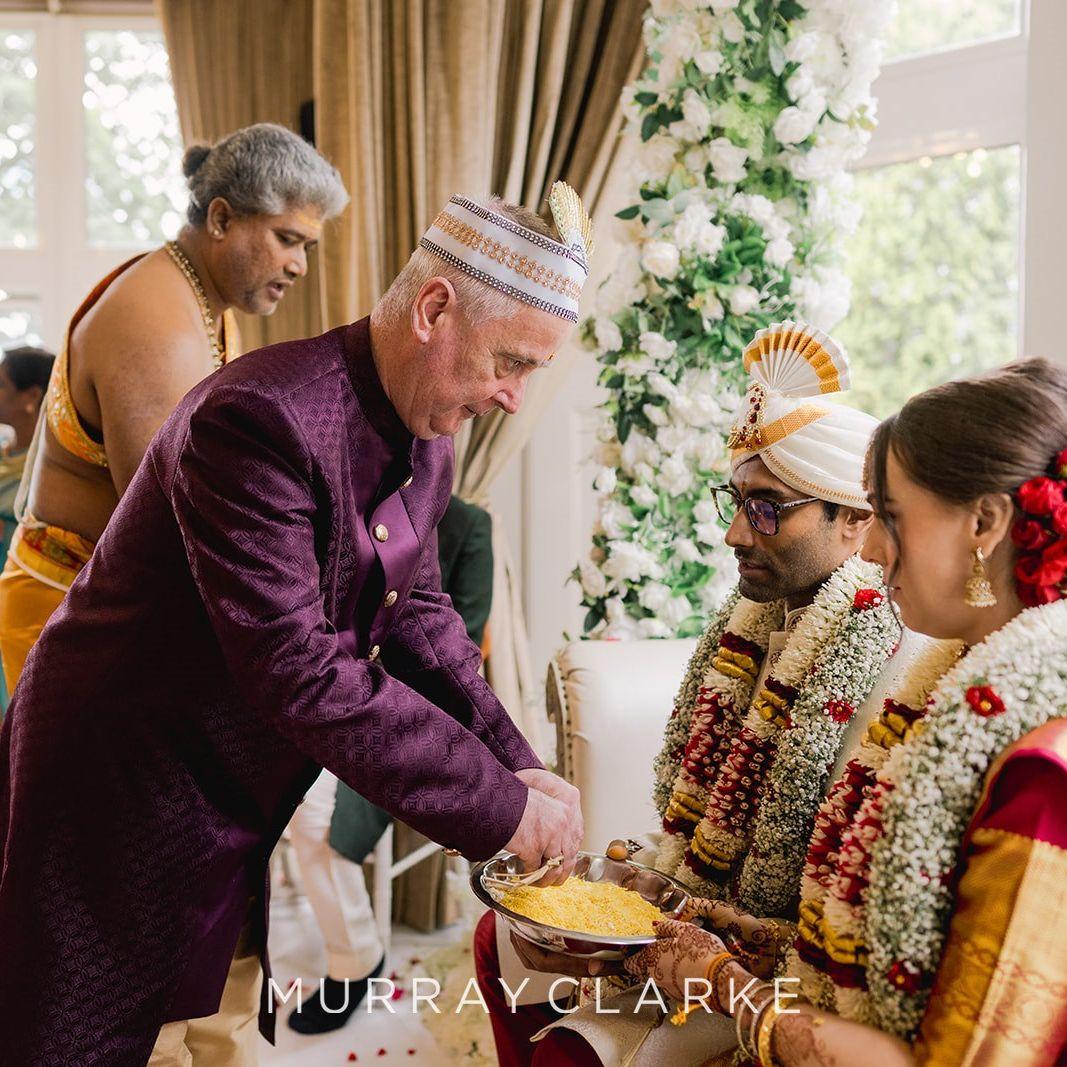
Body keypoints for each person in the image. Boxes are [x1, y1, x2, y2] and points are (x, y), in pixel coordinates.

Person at [0, 187, 590, 1066]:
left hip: (226, 797)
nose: (512, 398)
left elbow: (420, 614)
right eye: (510, 361)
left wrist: (518, 764)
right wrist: (501, 810)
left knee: (220, 1029)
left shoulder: (426, 432)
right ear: (434, 309)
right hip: (118, 790)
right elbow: (298, 670)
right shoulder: (258, 417)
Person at [475, 322, 927, 1066]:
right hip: (702, 906)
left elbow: (847, 915)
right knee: (502, 932)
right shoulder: (749, 623)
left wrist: (708, 940)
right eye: (736, 501)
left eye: (767, 507)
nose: (735, 535)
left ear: (854, 519)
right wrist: (642, 882)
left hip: (783, 969)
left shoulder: (889, 660)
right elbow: (692, 825)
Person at [617, 357, 1067, 1066]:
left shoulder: (1041, 773)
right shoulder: (956, 686)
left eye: (890, 516)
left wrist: (724, 983)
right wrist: (726, 933)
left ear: (984, 522)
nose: (874, 548)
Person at [0, 122, 347, 694]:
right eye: (287, 239)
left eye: (306, 247)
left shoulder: (204, 302)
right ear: (221, 219)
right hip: (67, 616)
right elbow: (169, 516)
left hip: (119, 609)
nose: (299, 266)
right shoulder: (155, 320)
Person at [286, 494, 495, 1036]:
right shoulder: (342, 502)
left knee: (319, 826)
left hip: (410, 720)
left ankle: (355, 963)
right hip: (324, 701)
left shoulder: (470, 525)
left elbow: (461, 647)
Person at [0, 345, 54, 710]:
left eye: (2, 385)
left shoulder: (48, 470)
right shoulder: (5, 454)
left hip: (26, 599)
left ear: (31, 396)